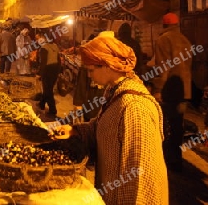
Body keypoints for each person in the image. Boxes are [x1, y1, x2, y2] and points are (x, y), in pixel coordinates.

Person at [50, 34, 168, 204]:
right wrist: (75, 130)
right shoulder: (113, 91)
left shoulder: (134, 107)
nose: (89, 76)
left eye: (91, 70)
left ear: (108, 65)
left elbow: (142, 174)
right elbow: (103, 125)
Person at [151, 12, 192, 173]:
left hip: (169, 90)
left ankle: (166, 161)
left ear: (164, 24)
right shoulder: (185, 40)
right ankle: (176, 160)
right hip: (183, 90)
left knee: (164, 126)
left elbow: (163, 68)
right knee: (177, 126)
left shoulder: (164, 39)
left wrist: (158, 89)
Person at [36, 32, 61, 115]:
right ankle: (41, 104)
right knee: (48, 88)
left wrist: (39, 73)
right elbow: (59, 60)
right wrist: (59, 71)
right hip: (55, 69)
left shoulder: (44, 48)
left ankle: (53, 109)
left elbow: (43, 62)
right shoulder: (55, 46)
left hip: (47, 70)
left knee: (48, 90)